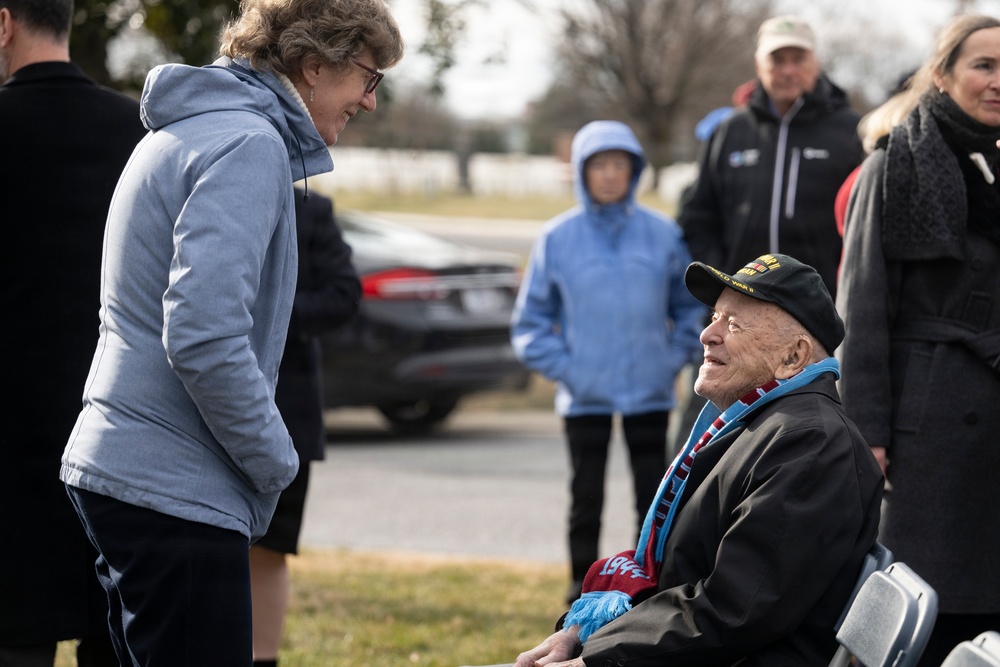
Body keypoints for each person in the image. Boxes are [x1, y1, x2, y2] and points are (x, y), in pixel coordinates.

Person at [58, 1, 404, 664]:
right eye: (368, 77)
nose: (369, 100)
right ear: (313, 64)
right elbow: (203, 334)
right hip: (174, 485)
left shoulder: (191, 129)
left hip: (126, 468)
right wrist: (275, 459)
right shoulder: (249, 144)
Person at [510, 253, 883, 667]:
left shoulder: (809, 444)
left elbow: (733, 611)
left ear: (793, 357)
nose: (707, 334)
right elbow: (683, 579)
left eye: (734, 324)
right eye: (715, 317)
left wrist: (596, 660)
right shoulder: (761, 426)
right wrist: (579, 634)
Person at [836, 14, 1000, 666]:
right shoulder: (894, 165)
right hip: (925, 429)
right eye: (984, 65)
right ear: (942, 74)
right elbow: (861, 311)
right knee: (925, 607)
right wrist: (868, 435)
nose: (998, 81)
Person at [0, 0, 147, 664]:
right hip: (115, 436)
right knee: (113, 637)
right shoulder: (136, 130)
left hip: (10, 445)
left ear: (5, 24)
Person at [511, 120, 706, 604]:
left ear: (634, 171)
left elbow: (689, 309)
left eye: (620, 164)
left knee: (653, 498)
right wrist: (570, 370)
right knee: (586, 497)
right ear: (582, 172)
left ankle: (648, 588)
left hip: (650, 390)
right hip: (585, 395)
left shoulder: (662, 234)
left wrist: (671, 359)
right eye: (599, 165)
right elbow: (530, 323)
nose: (610, 175)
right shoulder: (557, 237)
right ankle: (579, 591)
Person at [250, 187, 361, 667]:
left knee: (270, 547)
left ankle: (263, 658)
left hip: (288, 410)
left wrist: (265, 311)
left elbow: (344, 294)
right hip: (203, 406)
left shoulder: (310, 208)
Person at [679, 14, 863, 298]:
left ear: (815, 62)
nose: (788, 70)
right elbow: (698, 215)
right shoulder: (730, 131)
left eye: (798, 59)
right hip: (741, 303)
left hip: (826, 304)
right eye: (777, 60)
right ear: (758, 65)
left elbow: (865, 226)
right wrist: (724, 281)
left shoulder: (852, 130)